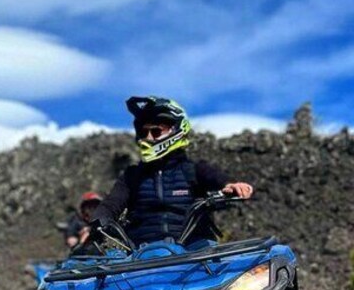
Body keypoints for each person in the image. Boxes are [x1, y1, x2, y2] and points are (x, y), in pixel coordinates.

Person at [91, 96, 254, 247]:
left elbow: (217, 178)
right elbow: (110, 204)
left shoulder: (194, 169)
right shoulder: (131, 176)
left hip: (196, 252)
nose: (148, 137)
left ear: (177, 130)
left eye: (156, 131)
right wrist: (99, 220)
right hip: (143, 255)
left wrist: (232, 186)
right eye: (143, 132)